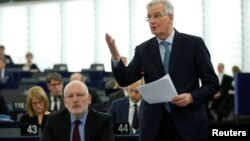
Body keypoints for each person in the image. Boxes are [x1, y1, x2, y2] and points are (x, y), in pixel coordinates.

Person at [105, 0, 219, 140]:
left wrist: (191, 97)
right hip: (153, 127)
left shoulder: (194, 44)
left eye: (157, 15)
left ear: (170, 17)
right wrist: (115, 56)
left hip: (188, 123)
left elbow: (212, 83)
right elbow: (124, 79)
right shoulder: (143, 50)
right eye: (149, 17)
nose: (152, 21)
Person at [40, 80, 114, 141]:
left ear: (89, 99)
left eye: (80, 95)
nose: (75, 100)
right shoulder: (53, 120)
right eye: (70, 96)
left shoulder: (103, 121)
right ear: (65, 102)